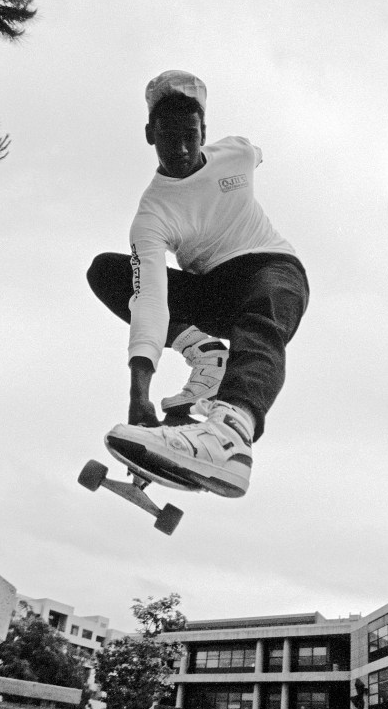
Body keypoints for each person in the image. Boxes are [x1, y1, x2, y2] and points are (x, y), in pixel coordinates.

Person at [86, 70, 309, 498]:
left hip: (274, 267)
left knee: (261, 313)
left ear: (205, 131)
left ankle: (230, 433)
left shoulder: (238, 152)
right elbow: (149, 300)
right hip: (212, 291)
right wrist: (140, 394)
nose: (184, 149)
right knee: (107, 271)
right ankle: (206, 354)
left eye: (192, 135)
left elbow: (255, 153)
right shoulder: (153, 215)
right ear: (150, 134)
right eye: (170, 137)